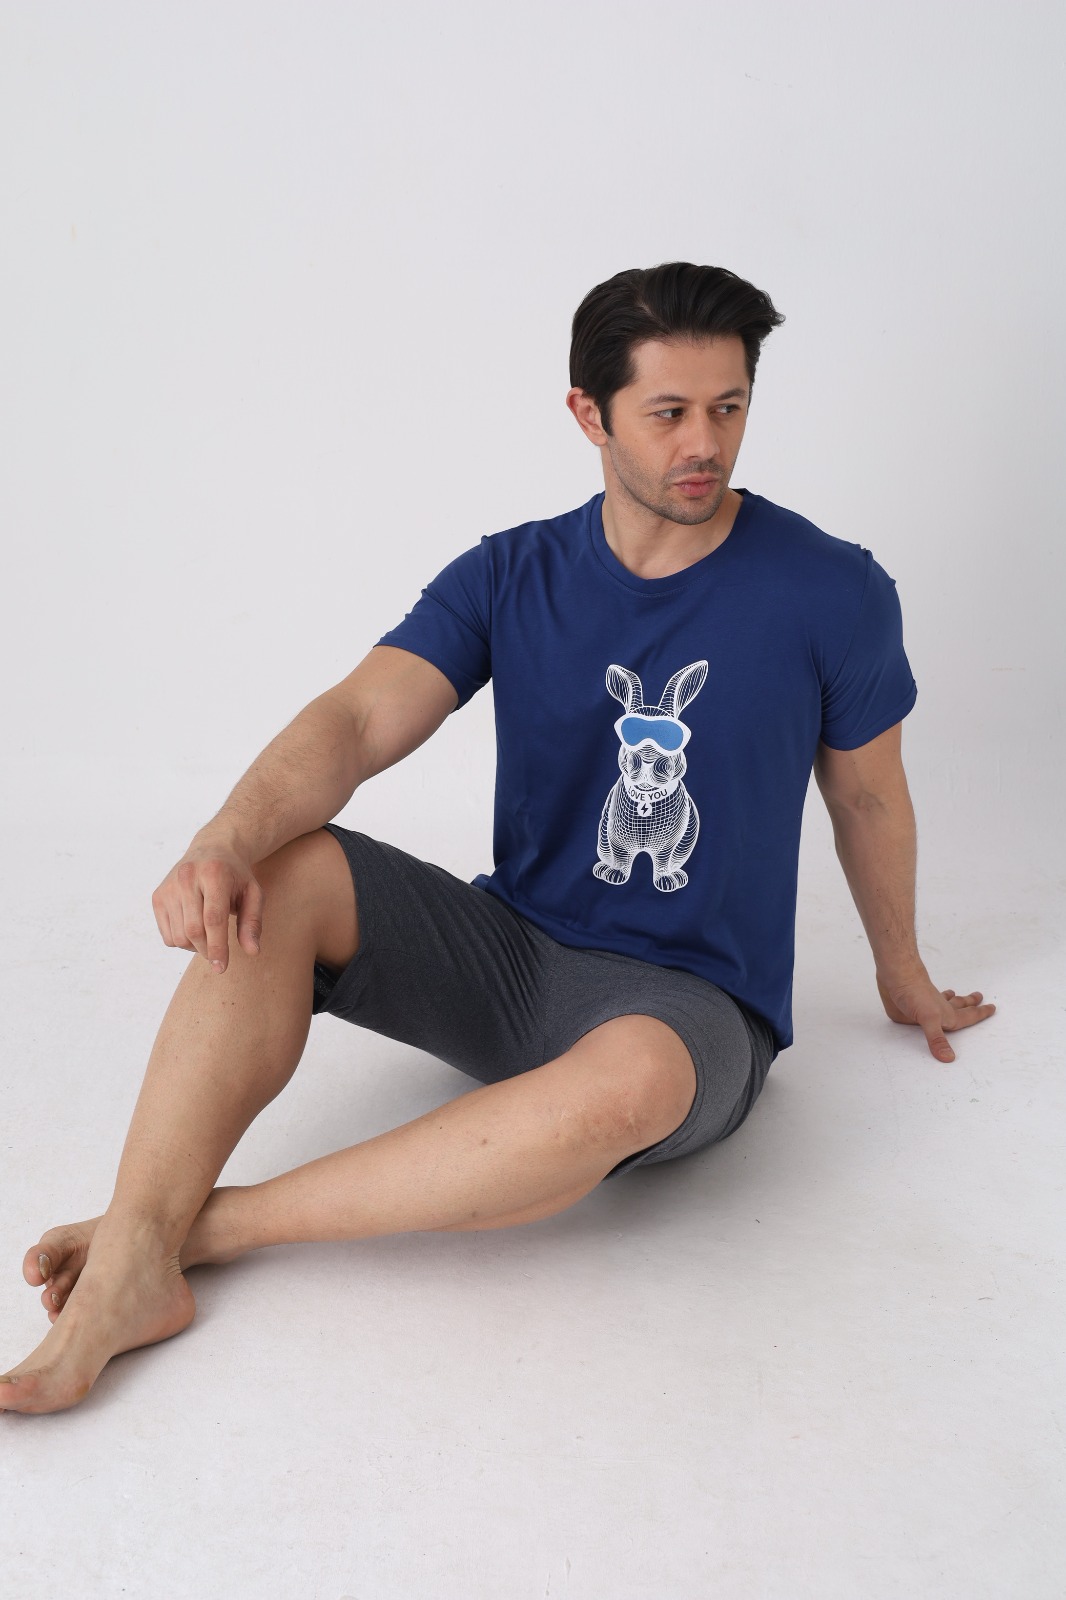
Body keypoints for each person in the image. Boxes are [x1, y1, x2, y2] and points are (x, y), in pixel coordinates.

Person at [1, 261, 996, 1415]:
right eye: (668, 412)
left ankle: (187, 1234)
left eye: (728, 407)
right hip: (513, 951)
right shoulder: (512, 572)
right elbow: (356, 719)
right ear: (588, 414)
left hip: (688, 1007)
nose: (706, 443)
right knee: (282, 867)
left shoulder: (832, 590)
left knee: (623, 1085)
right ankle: (140, 1252)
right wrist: (224, 836)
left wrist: (901, 973)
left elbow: (867, 797)